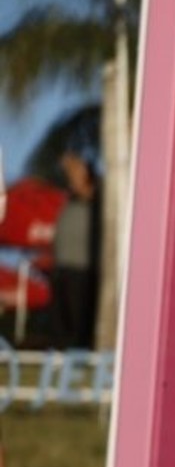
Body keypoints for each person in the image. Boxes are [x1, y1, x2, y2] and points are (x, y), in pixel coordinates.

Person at [47, 150, 100, 350]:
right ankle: (61, 357)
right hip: (62, 268)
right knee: (60, 320)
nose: (72, 179)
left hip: (82, 270)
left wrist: (75, 167)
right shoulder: (71, 199)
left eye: (78, 174)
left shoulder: (96, 199)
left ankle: (78, 358)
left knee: (78, 322)